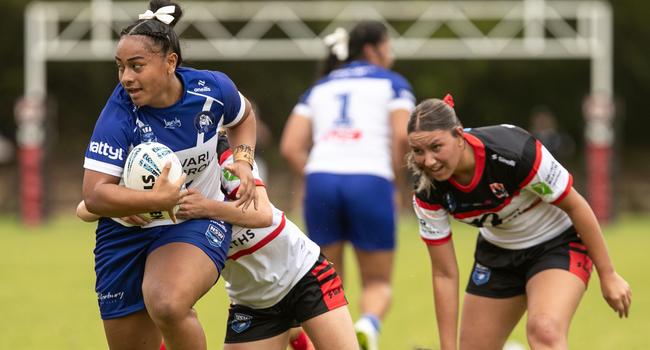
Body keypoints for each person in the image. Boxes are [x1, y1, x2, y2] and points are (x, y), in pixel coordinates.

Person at [81, 0, 258, 350]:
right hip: (124, 236)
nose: (126, 78)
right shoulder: (117, 115)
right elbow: (95, 193)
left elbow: (244, 117)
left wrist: (242, 159)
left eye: (136, 65)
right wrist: (154, 198)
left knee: (166, 301)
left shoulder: (212, 89)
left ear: (170, 62)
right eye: (120, 66)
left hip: (193, 219)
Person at [78, 133, 359, 350]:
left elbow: (260, 214)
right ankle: (296, 336)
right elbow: (85, 208)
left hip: (305, 275)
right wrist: (125, 206)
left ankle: (299, 339)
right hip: (252, 304)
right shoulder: (163, 187)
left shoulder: (232, 166)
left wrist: (205, 208)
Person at [407, 96, 632, 350]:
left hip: (556, 243)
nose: (428, 161)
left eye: (436, 147)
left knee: (544, 331)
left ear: (459, 135)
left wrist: (608, 274)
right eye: (418, 151)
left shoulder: (512, 151)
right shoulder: (427, 188)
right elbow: (444, 273)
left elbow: (575, 204)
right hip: (497, 254)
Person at [280, 21, 415, 350]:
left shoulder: (319, 87)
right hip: (370, 178)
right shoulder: (393, 84)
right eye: (389, 47)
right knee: (378, 282)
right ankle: (367, 326)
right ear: (372, 50)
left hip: (323, 178)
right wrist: (397, 183)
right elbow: (402, 135)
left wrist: (310, 176)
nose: (392, 56)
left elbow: (289, 146)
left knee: (326, 284)